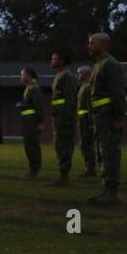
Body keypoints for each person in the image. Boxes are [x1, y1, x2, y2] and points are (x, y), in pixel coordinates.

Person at [86, 32, 127, 206]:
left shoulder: (109, 64)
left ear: (103, 44)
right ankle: (107, 189)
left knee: (109, 152)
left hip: (109, 115)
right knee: (103, 151)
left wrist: (119, 116)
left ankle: (112, 192)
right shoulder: (98, 64)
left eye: (92, 43)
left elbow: (117, 93)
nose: (89, 46)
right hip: (101, 115)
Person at [48, 51, 78, 185]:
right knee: (59, 144)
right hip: (59, 115)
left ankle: (64, 174)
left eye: (54, 58)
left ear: (63, 61)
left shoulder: (67, 76)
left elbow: (70, 98)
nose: (52, 61)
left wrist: (69, 117)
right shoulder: (59, 75)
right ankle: (62, 173)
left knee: (64, 144)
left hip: (64, 116)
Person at [18, 67, 44, 179]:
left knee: (32, 146)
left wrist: (40, 121)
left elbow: (38, 106)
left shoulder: (34, 88)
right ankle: (32, 170)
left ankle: (34, 171)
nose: (21, 77)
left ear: (29, 75)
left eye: (23, 74)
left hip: (32, 122)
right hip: (28, 121)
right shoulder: (29, 88)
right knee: (29, 146)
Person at [76, 65, 98, 177]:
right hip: (82, 120)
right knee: (84, 144)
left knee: (87, 144)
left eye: (80, 73)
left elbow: (90, 105)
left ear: (87, 73)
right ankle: (88, 167)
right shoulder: (83, 86)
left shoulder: (89, 86)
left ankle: (90, 168)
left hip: (86, 121)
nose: (78, 75)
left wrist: (90, 122)